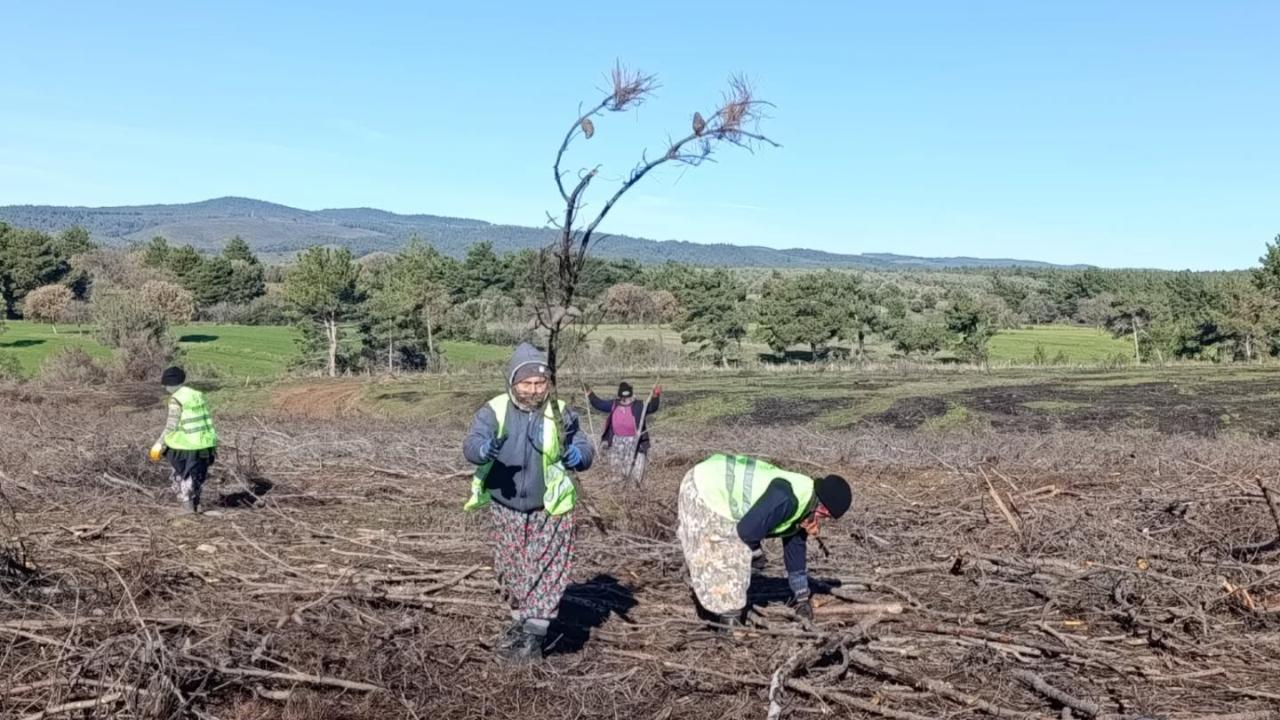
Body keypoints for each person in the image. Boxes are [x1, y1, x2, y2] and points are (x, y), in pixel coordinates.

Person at [462, 343, 595, 662]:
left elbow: (584, 446)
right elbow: (471, 444)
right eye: (526, 383)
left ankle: (534, 636)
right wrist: (484, 450)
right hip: (505, 505)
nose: (534, 390)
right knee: (511, 569)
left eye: (540, 383)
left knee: (546, 568)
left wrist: (578, 455)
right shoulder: (493, 410)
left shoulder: (560, 412)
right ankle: (521, 623)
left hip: (551, 506)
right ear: (513, 382)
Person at [676, 454, 851, 630]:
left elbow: (795, 547)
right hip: (705, 488)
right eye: (825, 516)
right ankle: (729, 628)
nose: (822, 521)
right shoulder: (787, 498)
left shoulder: (805, 502)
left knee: (734, 556)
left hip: (711, 484)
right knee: (730, 555)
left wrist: (802, 597)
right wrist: (757, 554)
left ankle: (724, 617)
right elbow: (746, 532)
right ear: (822, 508)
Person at [148, 366, 218, 514]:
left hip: (186, 445)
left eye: (166, 384)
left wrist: (159, 444)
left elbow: (171, 426)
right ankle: (196, 506)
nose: (165, 388)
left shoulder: (176, 399)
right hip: (206, 443)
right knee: (195, 476)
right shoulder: (197, 394)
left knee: (182, 476)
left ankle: (188, 511)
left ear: (170, 383)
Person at [585, 381, 661, 482]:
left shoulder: (639, 405)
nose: (625, 400)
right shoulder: (614, 404)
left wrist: (655, 395)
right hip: (617, 443)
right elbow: (599, 404)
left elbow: (652, 407)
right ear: (619, 396)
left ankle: (634, 488)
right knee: (617, 475)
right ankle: (619, 488)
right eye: (623, 398)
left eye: (627, 397)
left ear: (631, 395)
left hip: (636, 444)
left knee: (635, 475)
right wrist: (589, 392)